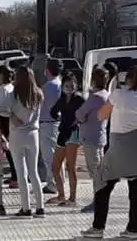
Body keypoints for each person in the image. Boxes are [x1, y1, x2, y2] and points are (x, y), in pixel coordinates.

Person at [80, 66, 137, 239]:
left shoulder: (118, 94)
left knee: (103, 184)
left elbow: (101, 116)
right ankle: (133, 230)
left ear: (128, 80)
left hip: (118, 145)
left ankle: (98, 227)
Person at [0, 66, 45, 217]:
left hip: (17, 134)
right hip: (33, 133)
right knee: (33, 171)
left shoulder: (14, 94)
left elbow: (0, 109)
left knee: (21, 172)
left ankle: (26, 207)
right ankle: (40, 207)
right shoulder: (38, 94)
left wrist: (11, 115)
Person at [47, 72, 85, 206]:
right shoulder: (62, 99)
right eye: (66, 85)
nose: (69, 87)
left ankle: (73, 198)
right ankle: (61, 195)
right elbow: (53, 111)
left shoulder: (79, 99)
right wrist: (59, 119)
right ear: (62, 86)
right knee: (55, 167)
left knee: (71, 167)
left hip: (73, 134)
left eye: (71, 85)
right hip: (62, 133)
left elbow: (85, 114)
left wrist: (78, 122)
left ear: (76, 85)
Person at [75, 66, 110, 213]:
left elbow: (79, 113)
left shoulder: (96, 98)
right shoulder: (106, 95)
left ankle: (98, 202)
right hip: (100, 136)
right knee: (99, 170)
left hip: (91, 138)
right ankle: (100, 200)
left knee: (95, 171)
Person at [0, 65, 18, 187]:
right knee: (10, 149)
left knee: (8, 149)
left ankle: (15, 177)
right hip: (9, 119)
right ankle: (14, 175)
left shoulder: (2, 90)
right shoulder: (11, 87)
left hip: (3, 119)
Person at [39, 59, 63, 194]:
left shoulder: (47, 87)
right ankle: (59, 181)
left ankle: (52, 183)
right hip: (58, 123)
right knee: (59, 155)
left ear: (47, 71)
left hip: (47, 123)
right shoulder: (61, 85)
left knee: (49, 156)